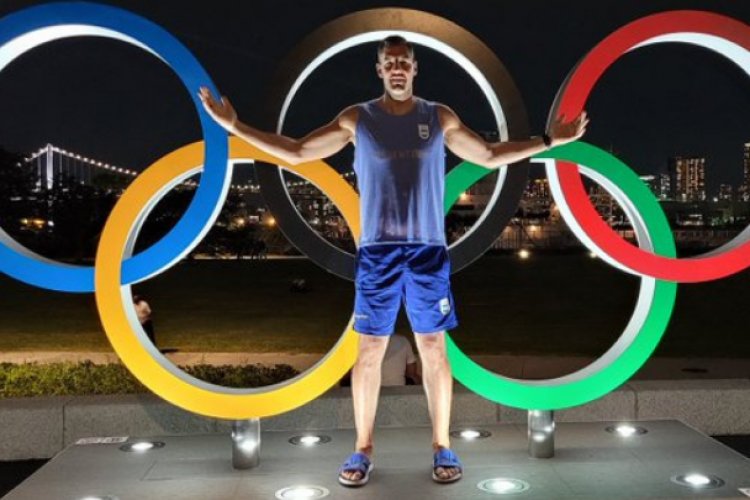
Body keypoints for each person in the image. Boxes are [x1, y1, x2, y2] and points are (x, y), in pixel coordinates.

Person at [199, 35, 587, 486]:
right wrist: (235, 127)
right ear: (380, 70)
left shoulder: (437, 116)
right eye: (390, 62)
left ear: (415, 68)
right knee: (369, 351)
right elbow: (298, 152)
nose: (398, 68)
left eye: (404, 61)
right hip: (377, 252)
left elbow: (487, 155)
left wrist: (547, 140)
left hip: (427, 251)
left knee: (433, 348)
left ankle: (442, 446)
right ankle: (362, 449)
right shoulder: (357, 118)